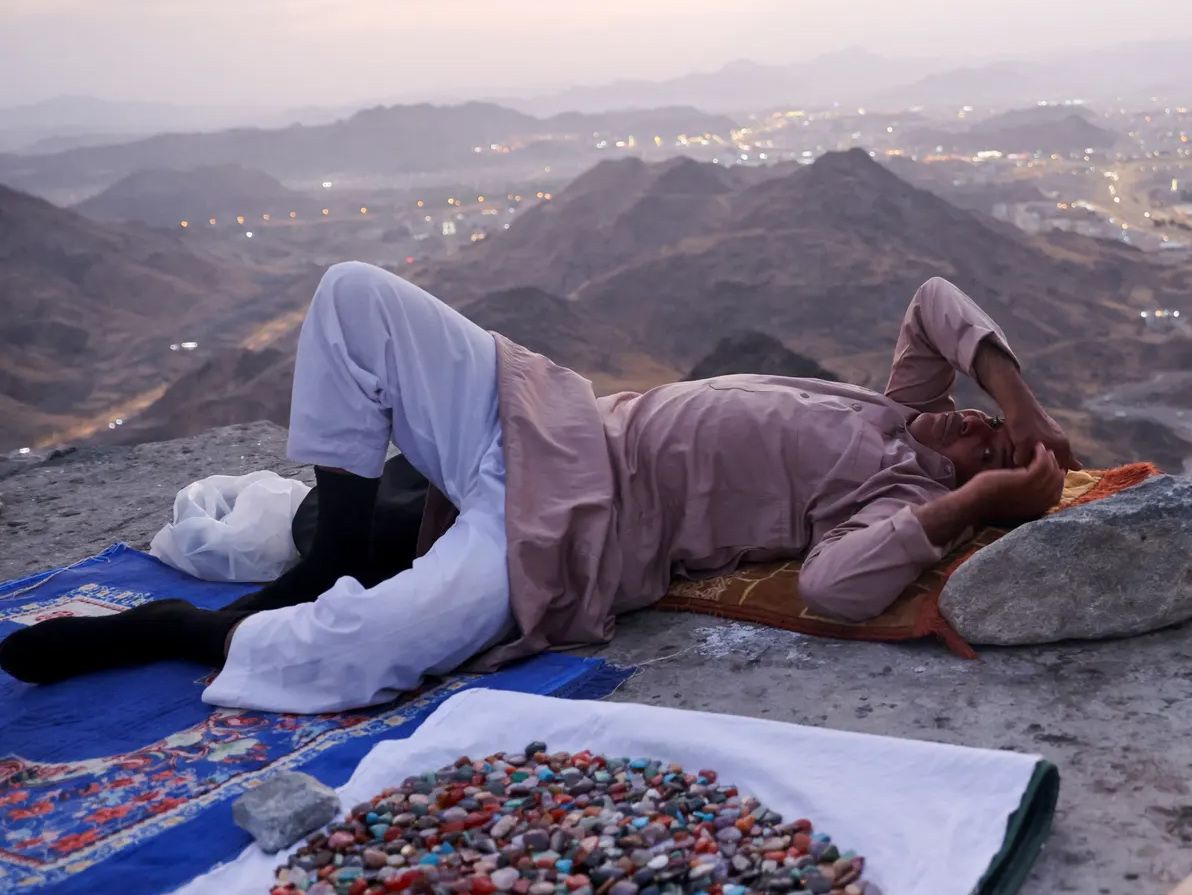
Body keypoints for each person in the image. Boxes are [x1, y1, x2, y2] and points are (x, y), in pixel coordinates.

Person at [0, 266, 1077, 712]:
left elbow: (839, 586)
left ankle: (186, 630)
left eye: (987, 448)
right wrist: (1019, 404)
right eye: (984, 416)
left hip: (563, 530)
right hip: (540, 413)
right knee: (353, 293)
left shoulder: (889, 499)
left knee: (357, 658)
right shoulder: (896, 409)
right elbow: (935, 302)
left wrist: (978, 504)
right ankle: (326, 556)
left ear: (966, 491)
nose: (976, 424)